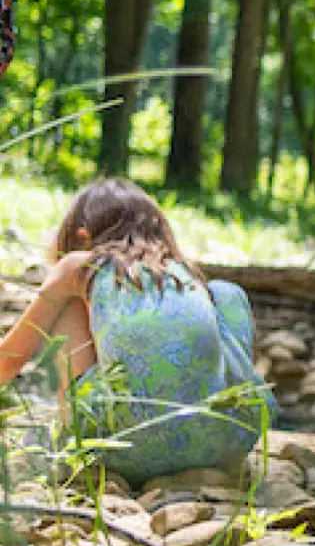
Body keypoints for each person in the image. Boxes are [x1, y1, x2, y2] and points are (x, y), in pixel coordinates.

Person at [0, 179, 275, 484]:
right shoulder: (187, 277)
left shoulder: (80, 265)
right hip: (219, 448)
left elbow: (9, 360)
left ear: (83, 236)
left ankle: (74, 433)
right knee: (227, 293)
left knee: (67, 304)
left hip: (119, 447)